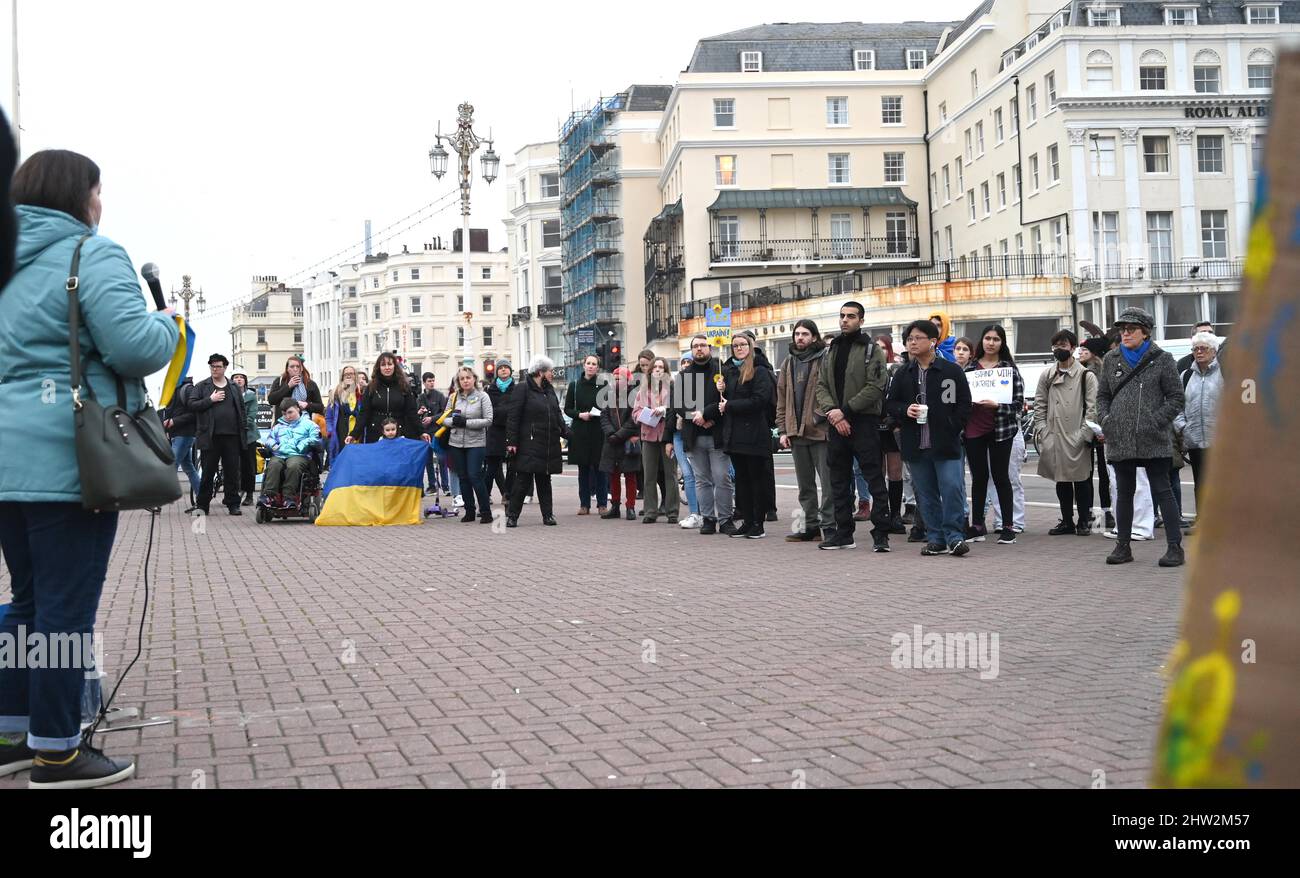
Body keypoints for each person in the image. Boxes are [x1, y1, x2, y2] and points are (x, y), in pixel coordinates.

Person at [0, 148, 179, 788]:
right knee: (65, 612)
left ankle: (13, 731)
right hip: (69, 463)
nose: (101, 205)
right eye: (98, 192)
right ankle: (58, 751)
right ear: (81, 195)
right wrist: (167, 323)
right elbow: (133, 348)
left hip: (6, 465)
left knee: (25, 602)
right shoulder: (91, 253)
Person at [1097, 306, 1185, 567]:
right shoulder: (1111, 359)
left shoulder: (1163, 358)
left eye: (1131, 329)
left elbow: (1176, 397)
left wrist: (1156, 421)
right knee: (1124, 492)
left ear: (1145, 332)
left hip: (1153, 436)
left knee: (1163, 490)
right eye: (1122, 329)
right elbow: (1103, 395)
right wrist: (1106, 420)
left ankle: (1174, 548)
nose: (1125, 333)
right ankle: (1122, 546)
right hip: (1119, 436)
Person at [886, 319, 972, 557]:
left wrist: (953, 427)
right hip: (916, 444)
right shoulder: (903, 373)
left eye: (917, 338)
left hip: (946, 443)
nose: (912, 343)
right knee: (926, 494)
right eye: (909, 339)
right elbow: (890, 404)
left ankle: (954, 536)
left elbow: (964, 405)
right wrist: (906, 410)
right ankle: (935, 538)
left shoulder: (951, 371)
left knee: (952, 488)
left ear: (933, 342)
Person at [814, 302, 892, 551]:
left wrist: (844, 411)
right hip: (836, 423)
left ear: (861, 320)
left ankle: (881, 534)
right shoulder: (831, 350)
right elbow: (821, 386)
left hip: (864, 422)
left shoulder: (871, 349)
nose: (845, 320)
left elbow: (876, 386)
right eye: (842, 316)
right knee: (838, 480)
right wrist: (835, 415)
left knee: (874, 479)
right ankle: (843, 533)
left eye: (851, 316)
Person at [963, 324, 1024, 545]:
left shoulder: (1009, 369)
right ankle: (977, 525)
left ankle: (1008, 526)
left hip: (1001, 430)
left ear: (1002, 343)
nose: (991, 343)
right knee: (979, 478)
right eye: (987, 338)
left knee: (1001, 477)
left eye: (996, 339)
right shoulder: (969, 369)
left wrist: (997, 405)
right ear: (982, 341)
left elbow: (1018, 405)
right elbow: (959, 401)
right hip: (973, 429)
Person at [1035, 330, 1099, 536]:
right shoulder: (1047, 374)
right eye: (1056, 346)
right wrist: (1043, 432)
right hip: (1053, 435)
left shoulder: (1086, 376)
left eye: (1063, 345)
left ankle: (1083, 520)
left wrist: (1083, 435)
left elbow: (1093, 409)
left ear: (1073, 348)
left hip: (1076, 435)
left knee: (1081, 480)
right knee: (1060, 480)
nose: (1059, 349)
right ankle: (1066, 521)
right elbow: (1039, 405)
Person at [715, 333, 777, 539]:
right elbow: (728, 401)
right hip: (735, 434)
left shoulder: (760, 371)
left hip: (754, 434)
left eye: (743, 345)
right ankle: (747, 521)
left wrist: (730, 405)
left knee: (756, 480)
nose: (739, 348)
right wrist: (722, 391)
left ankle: (758, 523)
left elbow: (759, 400)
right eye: (735, 346)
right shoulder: (731, 371)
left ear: (751, 346)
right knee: (741, 481)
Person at [671, 334, 735, 535]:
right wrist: (696, 417)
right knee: (702, 480)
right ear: (691, 350)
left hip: (717, 434)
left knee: (722, 477)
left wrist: (708, 416)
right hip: (694, 435)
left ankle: (725, 519)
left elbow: (728, 399)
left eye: (702, 345)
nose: (699, 349)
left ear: (709, 347)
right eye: (695, 346)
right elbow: (678, 405)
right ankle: (708, 518)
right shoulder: (683, 376)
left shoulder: (722, 372)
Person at [777, 319, 833, 543]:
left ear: (814, 337)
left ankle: (829, 526)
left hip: (821, 431)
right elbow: (782, 397)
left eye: (805, 334)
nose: (800, 338)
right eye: (797, 334)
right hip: (795, 431)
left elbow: (832, 391)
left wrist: (822, 416)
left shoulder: (825, 358)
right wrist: (783, 428)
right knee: (805, 484)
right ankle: (810, 525)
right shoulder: (788, 362)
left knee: (828, 483)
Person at [505, 356, 567, 527]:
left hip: (547, 443)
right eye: (549, 371)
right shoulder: (522, 389)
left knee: (544, 480)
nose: (552, 374)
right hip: (529, 442)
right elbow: (513, 417)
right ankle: (512, 515)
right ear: (541, 372)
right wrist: (512, 441)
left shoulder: (549, 391)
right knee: (523, 480)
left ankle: (548, 515)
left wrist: (568, 433)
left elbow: (557, 415)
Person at [188, 353, 248, 516]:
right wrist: (211, 399)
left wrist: (243, 430)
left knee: (232, 472)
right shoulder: (202, 386)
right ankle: (202, 505)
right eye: (212, 366)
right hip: (210, 436)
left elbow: (241, 410)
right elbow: (192, 404)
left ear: (225, 368)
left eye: (218, 366)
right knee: (208, 471)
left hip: (232, 436)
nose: (215, 369)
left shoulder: (233, 386)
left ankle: (233, 503)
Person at [1174, 331, 1222, 509]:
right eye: (1195, 349)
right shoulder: (1186, 376)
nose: (1199, 352)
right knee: (1200, 484)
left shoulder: (1224, 374)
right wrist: (1183, 427)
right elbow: (1177, 406)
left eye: (1204, 348)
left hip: (1219, 442)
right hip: (1194, 440)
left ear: (1214, 351)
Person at [443, 366, 494, 525]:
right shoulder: (453, 397)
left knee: (474, 476)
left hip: (476, 442)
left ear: (474, 379)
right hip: (456, 442)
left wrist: (466, 423)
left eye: (468, 377)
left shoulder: (482, 396)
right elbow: (444, 418)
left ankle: (485, 511)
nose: (465, 381)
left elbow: (488, 420)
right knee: (463, 477)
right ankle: (469, 511)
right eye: (462, 378)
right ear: (458, 381)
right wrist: (453, 421)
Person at [633, 357, 679, 524]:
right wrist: (647, 414)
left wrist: (665, 411)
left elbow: (677, 409)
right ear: (650, 371)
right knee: (649, 476)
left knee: (671, 475)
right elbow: (635, 414)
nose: (658, 370)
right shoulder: (642, 391)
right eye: (656, 367)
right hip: (649, 436)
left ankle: (672, 511)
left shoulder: (673, 389)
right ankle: (650, 511)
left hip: (668, 437)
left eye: (662, 367)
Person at [347, 352, 427, 445]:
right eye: (383, 365)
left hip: (399, 432)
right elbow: (364, 413)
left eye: (389, 364)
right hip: (375, 433)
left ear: (394, 366)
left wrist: (421, 432)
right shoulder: (371, 387)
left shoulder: (404, 386)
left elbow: (411, 412)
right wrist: (354, 434)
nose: (387, 367)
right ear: (379, 367)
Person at [563, 354, 609, 515]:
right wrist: (579, 414)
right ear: (584, 366)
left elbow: (608, 407)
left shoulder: (603, 385)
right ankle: (584, 504)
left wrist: (599, 413)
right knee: (583, 470)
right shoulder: (574, 385)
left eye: (594, 364)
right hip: (580, 431)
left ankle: (602, 504)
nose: (590, 366)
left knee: (600, 470)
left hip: (598, 430)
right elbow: (567, 408)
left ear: (598, 367)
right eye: (588, 363)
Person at [1077, 337, 1114, 530]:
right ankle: (1090, 512)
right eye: (1080, 350)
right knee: (1087, 471)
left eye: (1085, 350)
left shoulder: (1098, 371)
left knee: (1103, 473)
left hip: (1098, 425)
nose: (1081, 352)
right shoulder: (1078, 371)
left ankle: (1105, 512)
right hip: (1085, 425)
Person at [259, 399, 321, 507]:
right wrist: (274, 445)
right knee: (273, 465)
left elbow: (316, 439)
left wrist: (302, 445)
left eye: (290, 412)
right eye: (284, 414)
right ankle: (269, 495)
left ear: (297, 409)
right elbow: (270, 439)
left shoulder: (310, 425)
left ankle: (289, 497)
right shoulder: (278, 426)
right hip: (279, 454)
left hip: (299, 455)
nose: (287, 416)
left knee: (293, 466)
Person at [600, 367, 642, 521]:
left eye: (620, 378)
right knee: (613, 475)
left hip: (627, 441)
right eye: (615, 378)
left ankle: (630, 507)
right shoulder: (608, 395)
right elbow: (603, 416)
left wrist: (619, 435)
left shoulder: (635, 395)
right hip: (612, 441)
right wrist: (611, 434)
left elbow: (634, 419)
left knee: (630, 476)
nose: (617, 381)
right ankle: (615, 506)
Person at [876, 336, 907, 534]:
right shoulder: (869, 369)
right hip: (873, 425)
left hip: (894, 425)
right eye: (875, 348)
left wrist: (896, 422)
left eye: (882, 348)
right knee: (877, 473)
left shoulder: (897, 370)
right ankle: (881, 513)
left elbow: (902, 397)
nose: (879, 351)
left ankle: (895, 514)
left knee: (895, 472)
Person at [484, 359, 520, 506]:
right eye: (501, 368)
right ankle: (484, 498)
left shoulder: (517, 389)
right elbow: (487, 411)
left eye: (506, 368)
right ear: (496, 371)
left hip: (511, 431)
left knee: (512, 468)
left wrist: (502, 413)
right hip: (494, 432)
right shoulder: (489, 390)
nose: (504, 370)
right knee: (491, 468)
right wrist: (503, 412)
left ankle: (508, 496)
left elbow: (517, 410)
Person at [161, 377, 200, 512]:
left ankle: (156, 502)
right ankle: (201, 500)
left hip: (184, 433)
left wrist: (173, 422)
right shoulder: (176, 389)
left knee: (171, 467)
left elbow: (194, 413)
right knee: (188, 468)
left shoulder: (187, 389)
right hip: (178, 434)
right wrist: (169, 427)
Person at [673, 356, 703, 530]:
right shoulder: (677, 384)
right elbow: (673, 410)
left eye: (689, 363)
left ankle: (707, 512)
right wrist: (667, 440)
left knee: (704, 475)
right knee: (688, 475)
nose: (686, 366)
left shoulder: (702, 385)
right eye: (683, 363)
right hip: (678, 434)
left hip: (697, 432)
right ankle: (694, 513)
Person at [231, 372, 260, 506]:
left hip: (248, 435)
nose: (239, 380)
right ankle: (234, 492)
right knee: (233, 466)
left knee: (249, 465)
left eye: (242, 377)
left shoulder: (251, 396)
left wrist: (239, 426)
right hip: (232, 435)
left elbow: (251, 415)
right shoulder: (228, 394)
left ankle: (249, 494)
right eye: (236, 377)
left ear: (245, 381)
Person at [417, 372, 448, 495]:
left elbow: (444, 413)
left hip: (437, 432)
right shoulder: (420, 397)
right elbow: (416, 413)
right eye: (429, 381)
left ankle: (445, 486)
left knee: (441, 459)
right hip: (425, 432)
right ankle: (432, 485)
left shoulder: (440, 396)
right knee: (428, 460)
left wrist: (432, 418)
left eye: (433, 380)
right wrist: (420, 412)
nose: (431, 383)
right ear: (424, 382)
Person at [325, 366, 360, 466]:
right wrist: (330, 431)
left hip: (357, 431)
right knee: (341, 459)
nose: (348, 375)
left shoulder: (361, 391)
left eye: (351, 373)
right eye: (346, 374)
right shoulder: (335, 393)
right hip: (340, 431)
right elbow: (329, 416)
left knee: (356, 460)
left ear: (355, 375)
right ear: (342, 376)